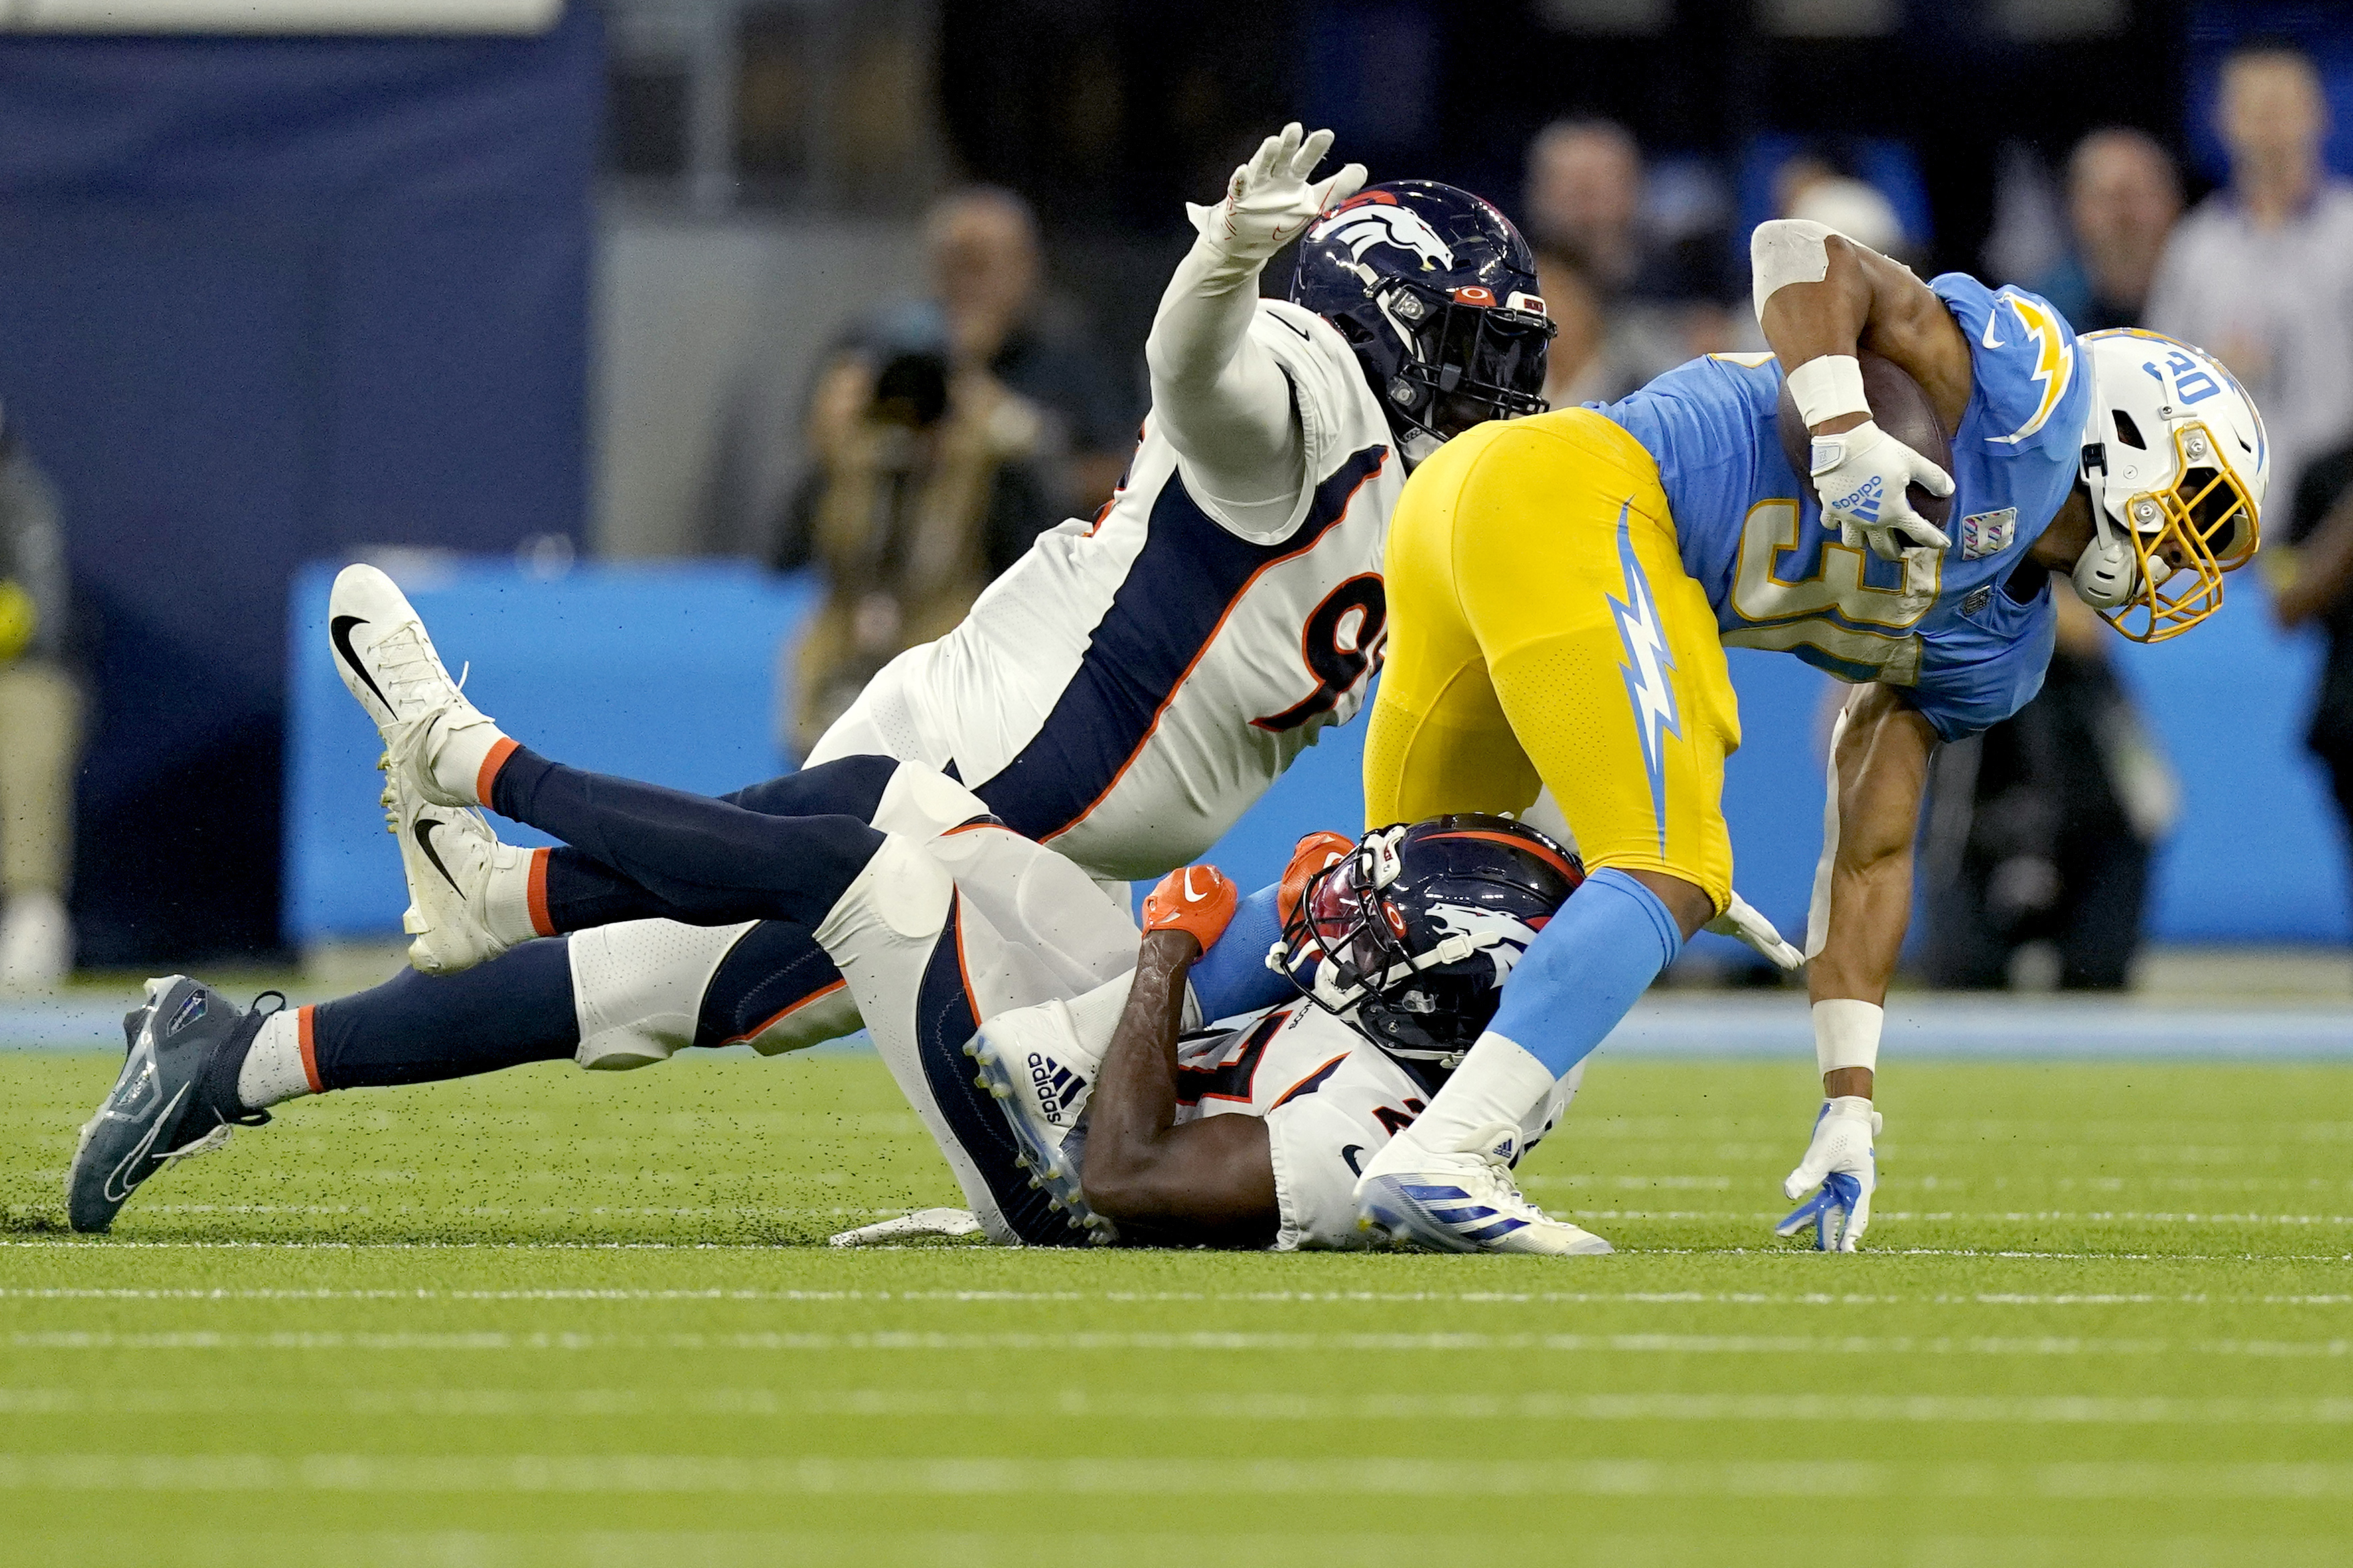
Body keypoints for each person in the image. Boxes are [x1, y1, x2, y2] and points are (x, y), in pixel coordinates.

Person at [68, 568, 1592, 1254]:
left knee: (855, 870)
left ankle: (492, 788)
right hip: (1113, 1053)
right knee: (872, 803)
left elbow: (1122, 1176)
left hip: (1064, 1152)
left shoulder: (1360, 1144)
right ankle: (359, 981)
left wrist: (1173, 954)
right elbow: (1496, 951)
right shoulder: (1470, 1026)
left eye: (1371, 926)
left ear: (1419, 991)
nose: (1342, 917)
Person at [1349, 216, 2267, 1255]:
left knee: (1408, 905)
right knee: (1669, 863)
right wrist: (1839, 425)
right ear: (2128, 433)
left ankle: (1221, 1097)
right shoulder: (2018, 401)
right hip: (1581, 488)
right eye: (2195, 503)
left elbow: (1870, 849)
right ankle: (1451, 1152)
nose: (2185, 553)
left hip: (1476, 512)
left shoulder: (1999, 646)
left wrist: (1847, 1101)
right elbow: (1796, 249)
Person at [777, 306, 1060, 753]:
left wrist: (1009, 438)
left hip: (946, 665)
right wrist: (824, 454)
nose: (909, 409)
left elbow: (1038, 560)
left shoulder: (983, 471)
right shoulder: (847, 463)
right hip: (843, 660)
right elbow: (781, 557)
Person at [1916, 593, 2178, 990]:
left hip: (2094, 819)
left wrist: (1995, 596)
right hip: (1977, 824)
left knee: (2096, 976)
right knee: (1963, 976)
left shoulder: (2067, 554)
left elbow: (2085, 631)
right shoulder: (1941, 565)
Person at [2147, 39, 2353, 509]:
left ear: (2320, 113)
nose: (2269, 125)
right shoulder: (2194, 248)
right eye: (2252, 108)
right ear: (2223, 122)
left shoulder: (2350, 234)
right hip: (2223, 505)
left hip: (2340, 504)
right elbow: (2156, 384)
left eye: (2282, 106)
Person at [0, 419, 80, 991]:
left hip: (21, 671)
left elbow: (34, 616)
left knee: (29, 710)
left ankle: (33, 916)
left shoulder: (19, 496)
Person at [2032, 129, 2181, 335]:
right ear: (2074, 209)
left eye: (2138, 196)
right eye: (2105, 199)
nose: (2123, 217)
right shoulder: (2045, 314)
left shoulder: (2207, 287)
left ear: (2174, 204)